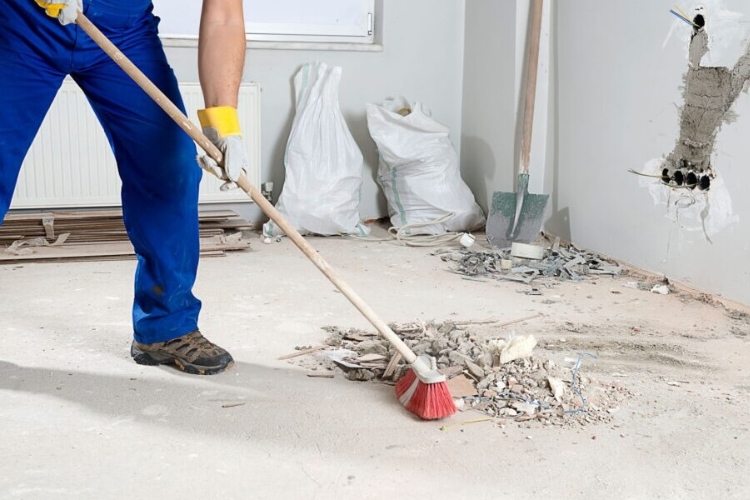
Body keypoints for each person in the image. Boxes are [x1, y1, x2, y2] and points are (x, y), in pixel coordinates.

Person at [0, 0, 249, 375]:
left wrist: (223, 122)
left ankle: (166, 327)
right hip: (23, 22)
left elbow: (225, 15)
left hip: (123, 27)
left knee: (171, 167)